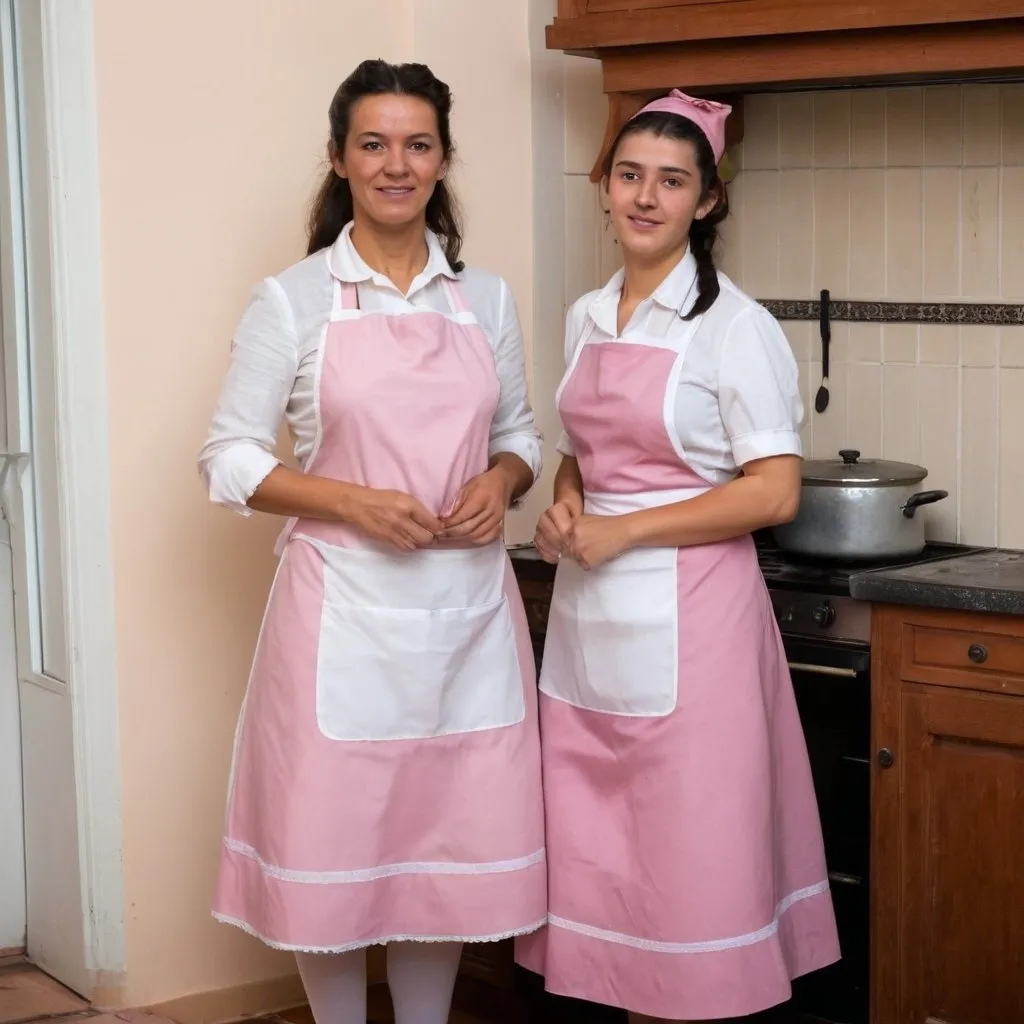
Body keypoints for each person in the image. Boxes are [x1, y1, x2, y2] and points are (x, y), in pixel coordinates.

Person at [199, 59, 546, 1024]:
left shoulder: (487, 300)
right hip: (343, 613)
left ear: (443, 159)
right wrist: (350, 501)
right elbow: (225, 458)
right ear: (340, 159)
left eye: (418, 144)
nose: (397, 164)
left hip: (469, 616)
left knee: (444, 851)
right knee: (338, 855)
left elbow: (521, 436)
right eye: (374, 143)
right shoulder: (293, 300)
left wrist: (502, 479)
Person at [516, 90, 840, 1023]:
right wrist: (568, 507)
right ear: (605, 188)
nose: (645, 198)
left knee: (689, 869)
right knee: (597, 860)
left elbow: (774, 491)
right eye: (629, 177)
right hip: (589, 632)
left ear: (706, 202)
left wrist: (625, 530)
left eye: (671, 181)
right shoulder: (587, 316)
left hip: (694, 627)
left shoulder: (735, 328)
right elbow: (583, 450)